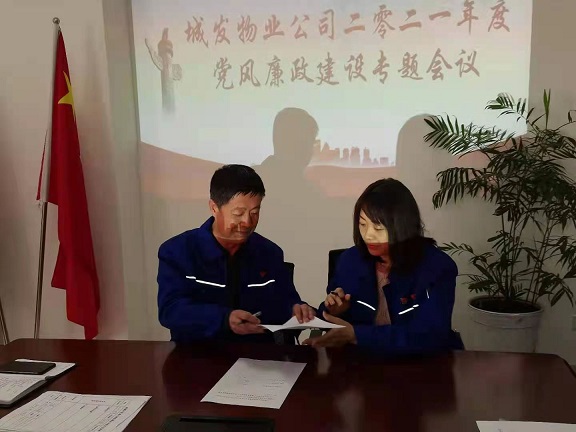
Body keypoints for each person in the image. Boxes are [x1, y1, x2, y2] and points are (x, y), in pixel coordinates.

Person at [157, 164, 315, 343]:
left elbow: (285, 301)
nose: (247, 222)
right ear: (214, 208)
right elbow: (170, 310)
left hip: (258, 353)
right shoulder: (178, 251)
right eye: (238, 213)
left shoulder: (269, 252)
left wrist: (297, 309)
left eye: (255, 213)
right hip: (196, 353)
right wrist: (224, 319)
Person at [304, 178, 463, 354]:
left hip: (422, 363)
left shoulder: (437, 267)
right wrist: (335, 311)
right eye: (363, 225)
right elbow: (329, 320)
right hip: (361, 362)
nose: (368, 235)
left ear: (402, 226)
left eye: (378, 228)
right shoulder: (350, 260)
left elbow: (430, 335)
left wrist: (358, 335)